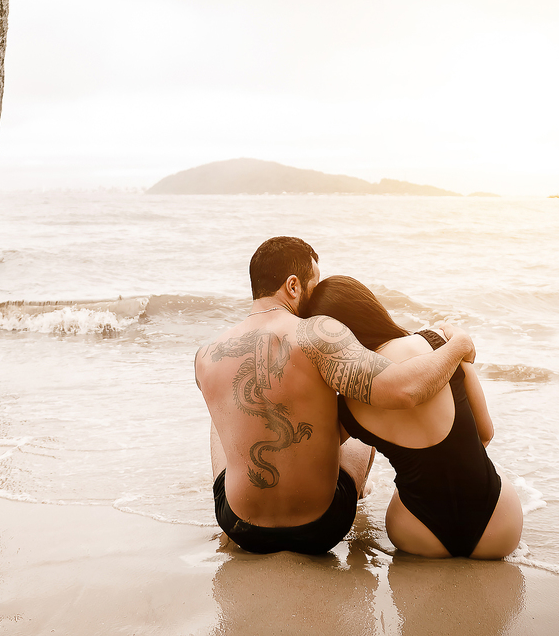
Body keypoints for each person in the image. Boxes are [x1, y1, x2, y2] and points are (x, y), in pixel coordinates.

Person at [195, 237, 476, 555]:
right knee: (362, 399)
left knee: (224, 413)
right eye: (314, 287)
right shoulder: (317, 331)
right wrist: (457, 345)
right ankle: (360, 486)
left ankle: (251, 498)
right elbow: (405, 390)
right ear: (293, 286)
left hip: (240, 526)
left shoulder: (206, 356)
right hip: (321, 527)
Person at [304, 275, 523, 559]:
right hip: (498, 528)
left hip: (418, 534)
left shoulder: (347, 404)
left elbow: (316, 455)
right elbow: (485, 433)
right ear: (370, 307)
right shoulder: (439, 343)